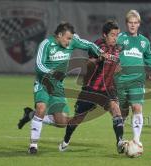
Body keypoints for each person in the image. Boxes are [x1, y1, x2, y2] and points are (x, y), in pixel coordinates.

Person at [18, 22, 106, 154]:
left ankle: (31, 115)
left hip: (58, 86)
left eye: (71, 38)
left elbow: (88, 45)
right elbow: (38, 65)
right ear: (59, 35)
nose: (70, 42)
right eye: (68, 38)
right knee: (41, 108)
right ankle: (33, 146)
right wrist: (51, 72)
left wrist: (100, 52)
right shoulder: (46, 44)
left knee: (62, 122)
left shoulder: (72, 41)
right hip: (43, 83)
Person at [58, 20, 127, 153]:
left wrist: (116, 69)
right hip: (91, 89)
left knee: (116, 110)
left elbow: (117, 67)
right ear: (104, 35)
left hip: (107, 88)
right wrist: (99, 59)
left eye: (116, 35)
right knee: (78, 118)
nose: (115, 38)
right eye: (112, 35)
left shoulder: (117, 48)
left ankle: (120, 141)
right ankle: (66, 140)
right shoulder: (98, 45)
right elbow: (88, 64)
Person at [114, 10, 151, 146]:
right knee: (122, 113)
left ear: (139, 24)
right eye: (130, 23)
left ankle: (136, 140)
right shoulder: (120, 38)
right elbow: (111, 54)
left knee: (137, 107)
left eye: (135, 23)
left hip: (137, 81)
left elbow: (150, 58)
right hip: (120, 81)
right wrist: (114, 65)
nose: (133, 25)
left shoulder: (144, 42)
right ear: (126, 23)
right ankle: (120, 140)